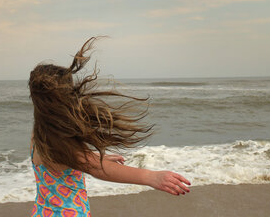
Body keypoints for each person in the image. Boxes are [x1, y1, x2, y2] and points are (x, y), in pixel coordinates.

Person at [28, 37, 191, 217]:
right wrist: (152, 177)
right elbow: (97, 169)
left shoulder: (39, 133)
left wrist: (95, 156)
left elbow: (66, 160)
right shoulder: (57, 142)